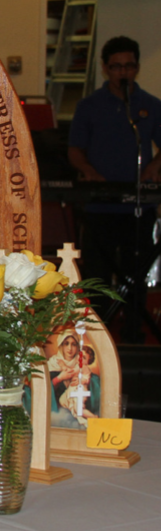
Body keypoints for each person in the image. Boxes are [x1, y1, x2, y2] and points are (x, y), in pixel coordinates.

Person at [68, 36, 161, 340]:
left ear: (137, 68)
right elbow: (75, 150)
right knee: (98, 276)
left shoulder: (150, 105)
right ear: (106, 69)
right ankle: (98, 339)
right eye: (117, 67)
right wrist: (89, 171)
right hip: (101, 206)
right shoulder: (89, 106)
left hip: (138, 206)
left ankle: (134, 336)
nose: (123, 72)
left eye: (129, 66)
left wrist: (153, 167)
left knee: (135, 275)